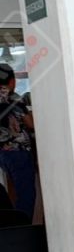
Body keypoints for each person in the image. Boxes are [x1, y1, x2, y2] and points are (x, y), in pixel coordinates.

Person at [0, 63, 35, 220]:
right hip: (18, 153)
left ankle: (15, 226)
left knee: (15, 192)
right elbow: (31, 124)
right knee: (26, 195)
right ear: (12, 80)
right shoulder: (13, 97)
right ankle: (23, 227)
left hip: (4, 154)